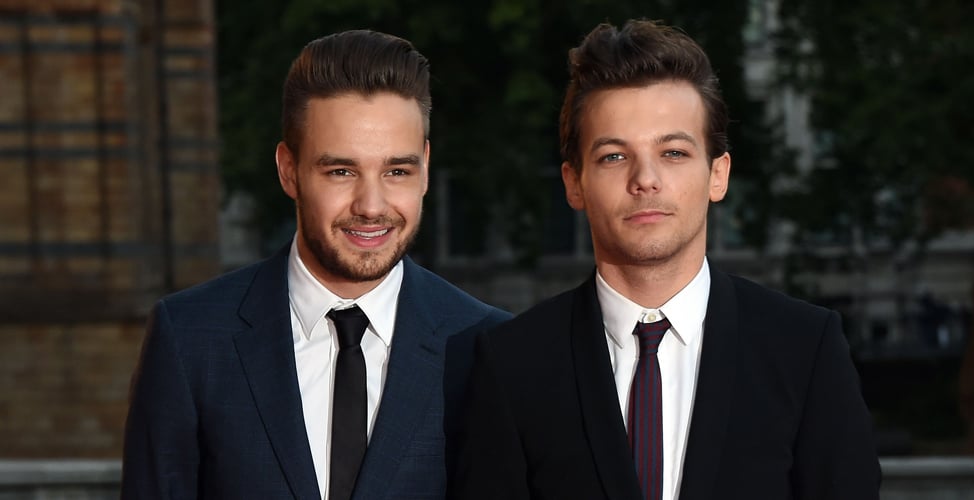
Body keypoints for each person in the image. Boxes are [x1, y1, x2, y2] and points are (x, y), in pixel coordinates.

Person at [449, 19, 880, 500]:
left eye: (673, 152)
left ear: (718, 175)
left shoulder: (804, 349)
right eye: (614, 156)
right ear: (574, 183)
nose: (645, 179)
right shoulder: (513, 363)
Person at [121, 30, 510, 500]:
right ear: (289, 170)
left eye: (397, 171)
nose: (371, 206)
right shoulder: (191, 338)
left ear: (425, 168)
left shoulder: (488, 347)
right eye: (341, 171)